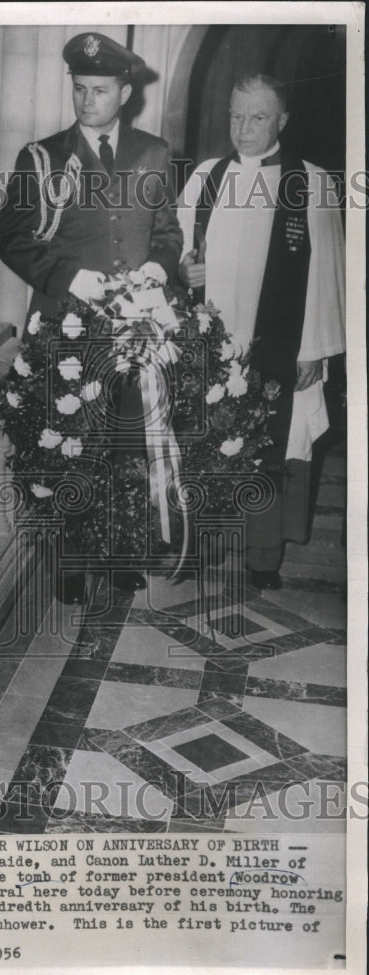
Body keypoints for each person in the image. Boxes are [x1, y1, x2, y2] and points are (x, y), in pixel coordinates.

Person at [0, 31, 183, 603]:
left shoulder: (154, 153)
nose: (86, 101)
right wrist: (67, 278)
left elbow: (169, 234)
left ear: (124, 92)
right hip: (68, 325)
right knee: (73, 442)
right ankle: (71, 562)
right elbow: (10, 238)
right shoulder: (44, 157)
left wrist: (156, 266)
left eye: (99, 91)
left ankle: (125, 553)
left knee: (128, 442)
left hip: (134, 328)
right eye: (80, 90)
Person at [177, 74, 345, 590]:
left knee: (273, 443)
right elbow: (176, 250)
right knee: (205, 439)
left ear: (282, 122)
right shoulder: (205, 175)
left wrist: (315, 350)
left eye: (258, 118)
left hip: (280, 343)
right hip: (214, 341)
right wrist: (184, 268)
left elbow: (328, 271)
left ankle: (263, 556)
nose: (243, 128)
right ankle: (200, 542)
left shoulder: (311, 182)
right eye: (235, 116)